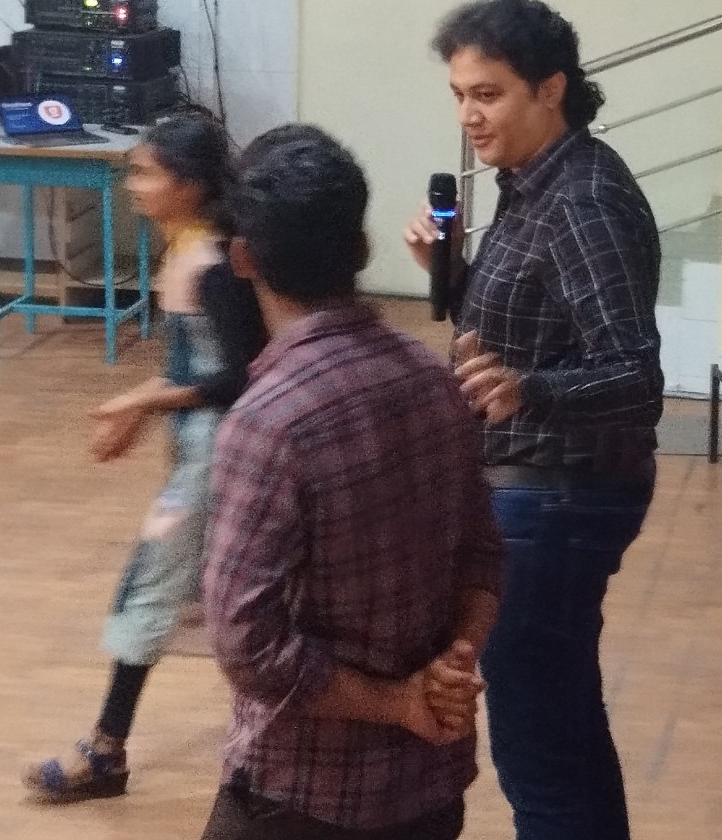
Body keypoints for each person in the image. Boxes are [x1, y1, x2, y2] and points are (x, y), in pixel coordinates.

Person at [403, 0, 664, 840]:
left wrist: (532, 390)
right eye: (459, 95)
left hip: (556, 501)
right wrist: (450, 273)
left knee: (541, 756)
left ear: (550, 89)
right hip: (542, 491)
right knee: (564, 731)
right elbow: (522, 328)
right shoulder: (533, 181)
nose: (469, 115)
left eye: (488, 94)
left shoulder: (581, 202)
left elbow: (635, 376)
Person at [200, 123, 501, 840]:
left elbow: (246, 644)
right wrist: (454, 663)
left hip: (303, 797)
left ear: (243, 259)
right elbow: (485, 555)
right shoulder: (434, 379)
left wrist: (399, 703)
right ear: (362, 248)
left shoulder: (268, 423)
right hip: (428, 790)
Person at [25, 110, 267, 802]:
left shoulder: (214, 265)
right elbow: (197, 368)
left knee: (157, 584)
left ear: (188, 185)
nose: (133, 184)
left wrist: (148, 399)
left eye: (146, 173)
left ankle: (106, 749)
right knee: (201, 594)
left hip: (217, 457)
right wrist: (143, 406)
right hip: (198, 448)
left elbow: (242, 376)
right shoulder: (186, 250)